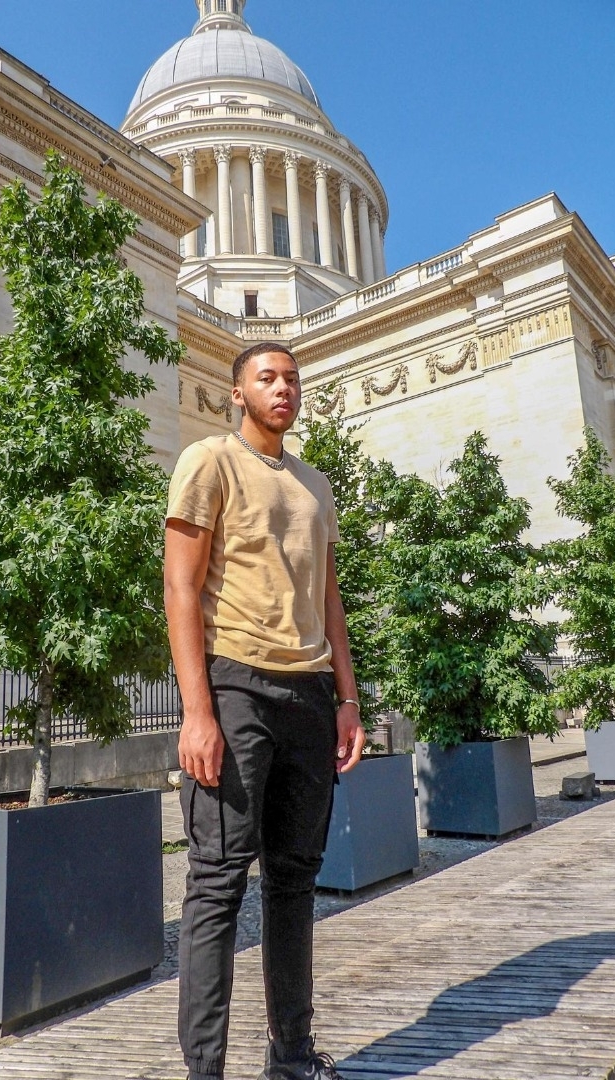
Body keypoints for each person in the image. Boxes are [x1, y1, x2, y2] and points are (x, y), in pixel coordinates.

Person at [164, 341, 365, 1080]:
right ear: (237, 392)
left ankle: (293, 1056)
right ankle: (205, 1071)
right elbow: (181, 588)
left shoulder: (315, 485)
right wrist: (198, 711)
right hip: (235, 687)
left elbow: (329, 598)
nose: (284, 388)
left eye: (292, 379)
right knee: (218, 881)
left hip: (309, 694)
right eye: (267, 378)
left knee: (294, 881)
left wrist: (347, 698)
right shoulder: (209, 461)